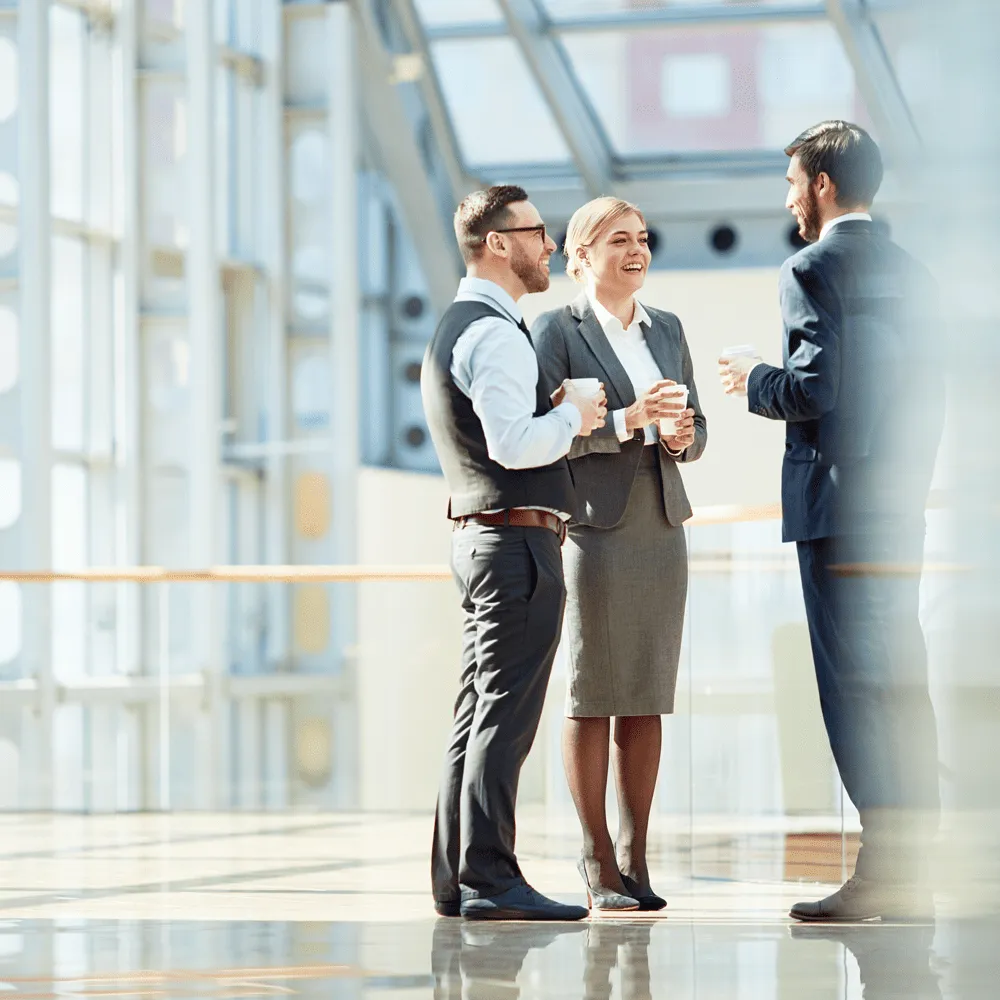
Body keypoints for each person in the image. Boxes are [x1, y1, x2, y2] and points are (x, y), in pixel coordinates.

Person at [719, 121, 944, 921]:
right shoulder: (916, 273)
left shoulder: (811, 268)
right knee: (901, 683)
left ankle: (885, 871)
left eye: (792, 183)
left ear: (821, 184)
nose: (788, 199)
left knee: (853, 690)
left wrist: (753, 377)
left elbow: (814, 389)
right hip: (897, 510)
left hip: (836, 513)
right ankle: (913, 866)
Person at [422, 185, 607, 921]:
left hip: (484, 538)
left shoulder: (459, 326)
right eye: (536, 232)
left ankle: (457, 876)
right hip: (514, 545)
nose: (549, 245)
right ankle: (490, 879)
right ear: (498, 243)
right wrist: (572, 416)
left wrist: (551, 410)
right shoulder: (496, 334)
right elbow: (512, 444)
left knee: (477, 711)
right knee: (504, 715)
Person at [532, 197, 706, 912]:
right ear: (581, 257)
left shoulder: (668, 328)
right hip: (594, 531)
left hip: (661, 525)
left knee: (646, 692)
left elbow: (697, 433)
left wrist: (680, 436)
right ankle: (596, 855)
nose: (637, 251)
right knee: (592, 693)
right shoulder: (556, 330)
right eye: (617, 241)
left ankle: (636, 855)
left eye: (642, 238)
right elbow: (545, 434)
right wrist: (629, 423)